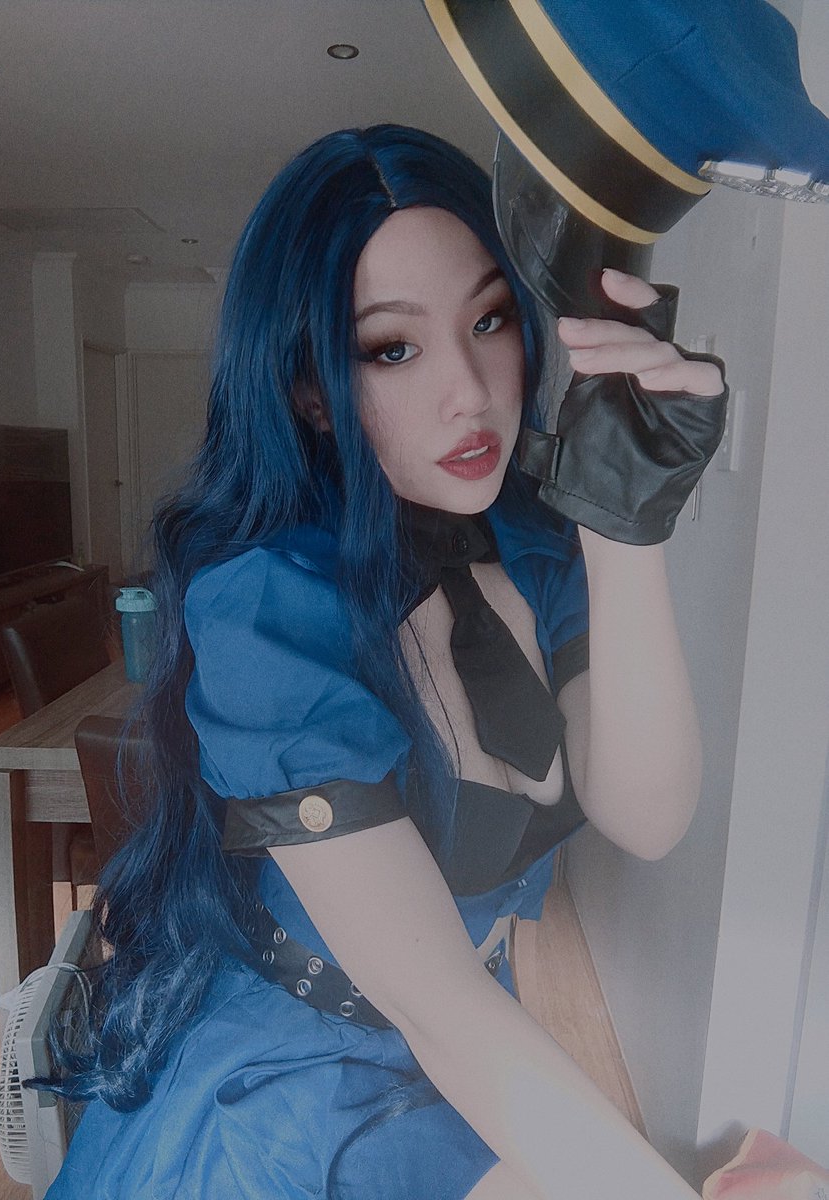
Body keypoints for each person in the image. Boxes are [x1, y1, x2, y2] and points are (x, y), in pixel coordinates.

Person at [43, 123, 726, 1199]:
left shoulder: (536, 547)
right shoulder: (268, 607)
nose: (471, 390)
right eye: (392, 348)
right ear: (311, 389)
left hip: (464, 1064)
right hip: (292, 1097)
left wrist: (626, 530)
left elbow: (646, 816)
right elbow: (434, 1002)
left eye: (489, 320)